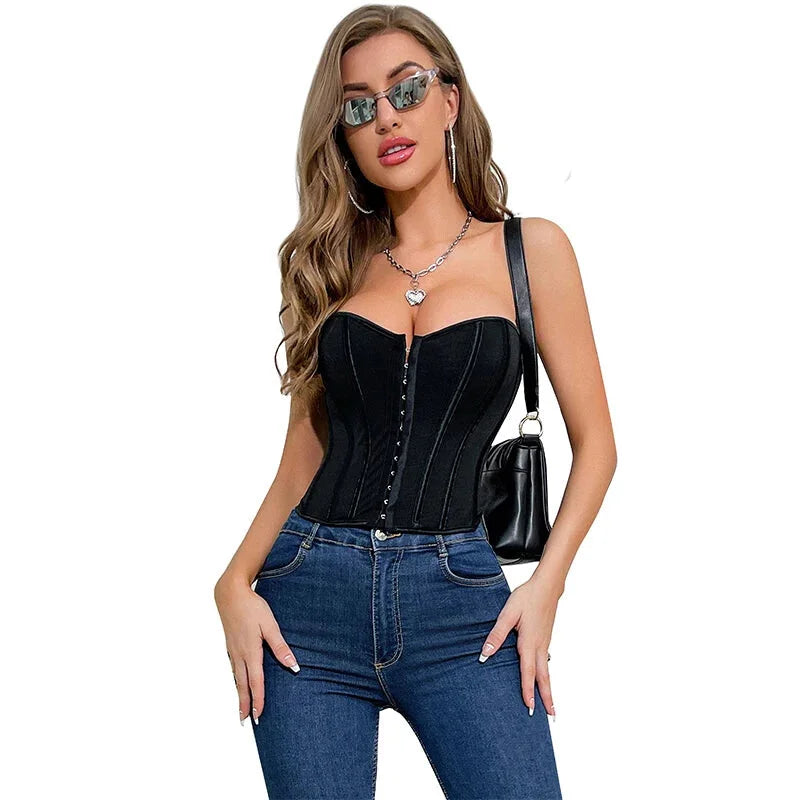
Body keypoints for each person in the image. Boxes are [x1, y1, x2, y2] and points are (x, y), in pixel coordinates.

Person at [214, 5, 616, 798]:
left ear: (450, 101)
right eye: (358, 106)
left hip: (459, 601)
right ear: (343, 135)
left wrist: (548, 586)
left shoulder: (531, 250)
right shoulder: (337, 264)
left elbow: (597, 443)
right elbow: (304, 456)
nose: (386, 118)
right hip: (306, 601)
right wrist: (233, 581)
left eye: (407, 89)